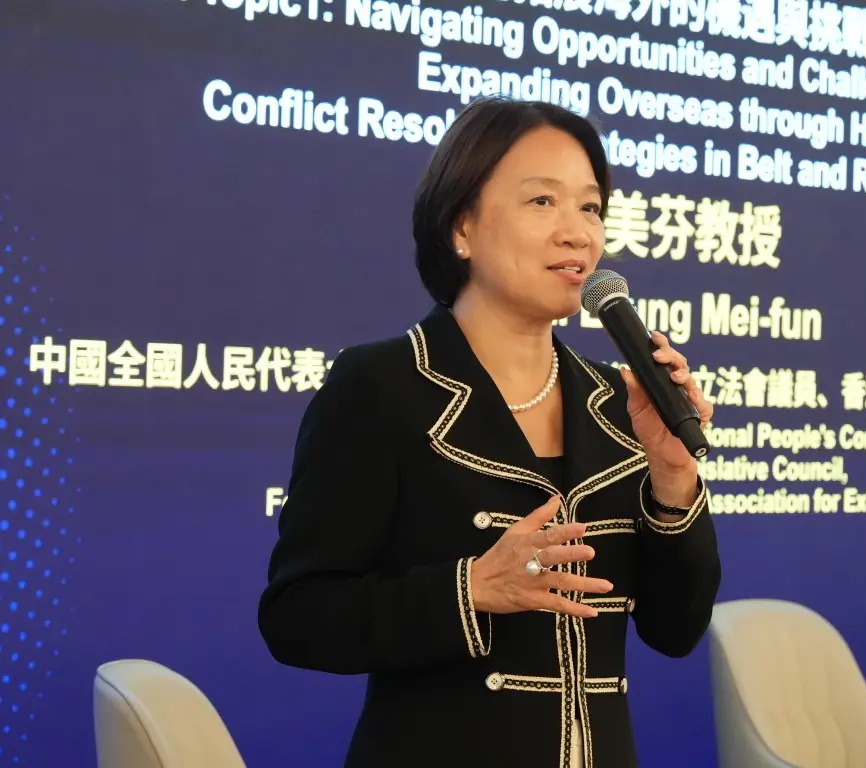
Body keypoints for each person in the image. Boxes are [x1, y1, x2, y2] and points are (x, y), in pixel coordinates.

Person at [257, 96, 722, 768]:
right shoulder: (381, 386)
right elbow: (297, 618)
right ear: (462, 227)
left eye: (590, 207)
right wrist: (470, 589)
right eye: (543, 202)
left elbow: (676, 630)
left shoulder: (617, 401)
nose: (578, 233)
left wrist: (673, 476)